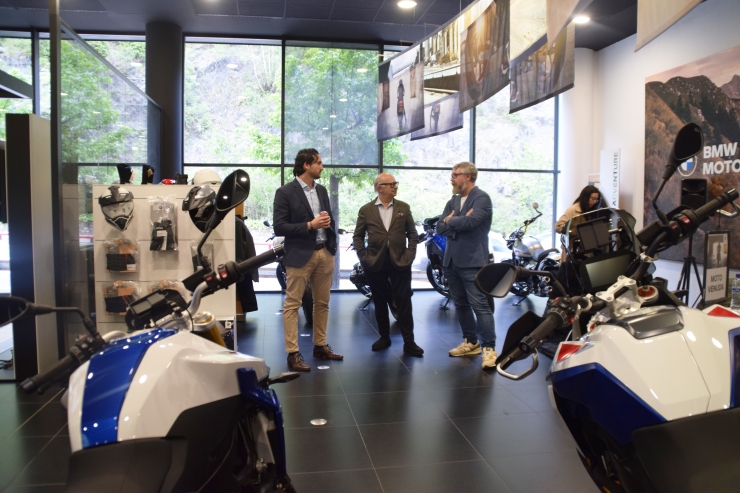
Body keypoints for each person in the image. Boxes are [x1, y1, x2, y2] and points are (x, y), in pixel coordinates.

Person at [273, 148, 343, 372]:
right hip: (300, 254)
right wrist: (310, 225)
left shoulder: (321, 190)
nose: (322, 167)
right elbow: (279, 226)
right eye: (319, 163)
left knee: (322, 303)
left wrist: (328, 234)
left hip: (324, 252)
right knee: (292, 305)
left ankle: (320, 346)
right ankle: (293, 353)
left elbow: (327, 218)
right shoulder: (285, 192)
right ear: (306, 165)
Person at [353, 173, 424, 357]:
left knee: (404, 301)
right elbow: (358, 236)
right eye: (391, 184)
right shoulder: (366, 210)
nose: (395, 187)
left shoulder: (403, 207)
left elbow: (412, 234)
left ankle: (409, 342)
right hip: (375, 262)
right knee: (380, 300)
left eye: (395, 183)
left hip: (400, 261)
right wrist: (364, 257)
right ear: (380, 187)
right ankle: (384, 337)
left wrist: (409, 254)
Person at [436, 162, 496, 368]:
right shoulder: (453, 200)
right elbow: (439, 227)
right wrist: (455, 221)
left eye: (455, 175)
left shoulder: (482, 198)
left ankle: (489, 348)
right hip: (451, 261)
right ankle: (471, 342)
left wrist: (451, 221)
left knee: (480, 305)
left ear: (468, 176)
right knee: (460, 304)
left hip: (472, 262)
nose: (451, 178)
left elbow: (471, 223)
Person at [554, 185, 603, 295]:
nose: (595, 202)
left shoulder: (591, 211)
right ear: (586, 197)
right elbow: (558, 226)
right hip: (572, 252)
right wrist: (576, 231)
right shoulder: (573, 209)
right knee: (566, 283)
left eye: (597, 199)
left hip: (585, 252)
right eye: (593, 198)